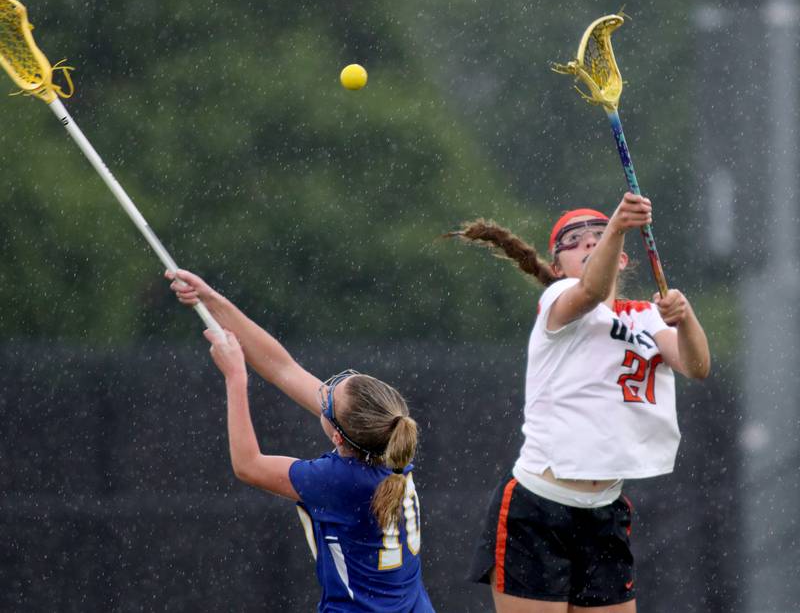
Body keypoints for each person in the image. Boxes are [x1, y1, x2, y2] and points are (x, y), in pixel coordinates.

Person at [449, 192, 710, 613]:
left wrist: (686, 317)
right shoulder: (559, 300)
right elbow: (590, 291)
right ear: (557, 268)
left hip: (604, 511)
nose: (588, 241)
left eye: (596, 234)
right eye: (574, 240)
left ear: (622, 260)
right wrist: (616, 228)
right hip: (539, 508)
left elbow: (696, 366)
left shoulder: (645, 316)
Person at [166, 269, 435, 613]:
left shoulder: (338, 480)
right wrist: (212, 300)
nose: (322, 391)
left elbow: (248, 465)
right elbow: (283, 368)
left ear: (337, 436)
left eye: (328, 398)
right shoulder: (389, 449)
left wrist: (235, 376)